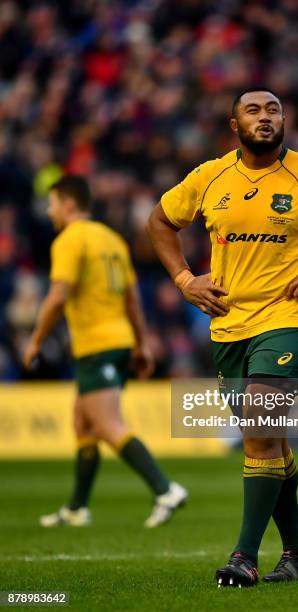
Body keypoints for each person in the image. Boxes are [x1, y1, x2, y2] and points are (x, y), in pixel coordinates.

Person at [147, 87, 298, 586]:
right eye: (253, 110)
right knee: (268, 440)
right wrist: (184, 280)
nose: (265, 117)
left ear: (284, 121)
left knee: (260, 429)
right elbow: (159, 221)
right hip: (228, 325)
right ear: (234, 124)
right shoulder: (209, 176)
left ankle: (243, 556)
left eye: (274, 109)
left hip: (288, 320)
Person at [23, 175, 187, 529]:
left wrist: (35, 339)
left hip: (96, 344)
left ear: (68, 205)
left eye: (52, 203)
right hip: (120, 340)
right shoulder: (112, 239)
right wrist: (141, 343)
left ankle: (165, 489)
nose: (49, 211)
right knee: (83, 421)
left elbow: (58, 294)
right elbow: (132, 299)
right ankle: (77, 508)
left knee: (107, 424)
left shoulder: (70, 239)